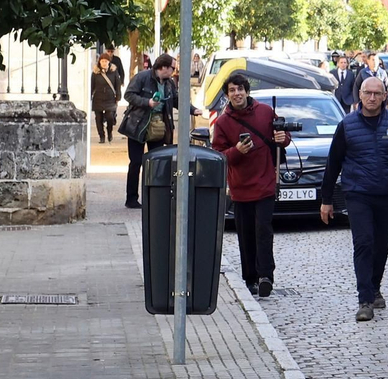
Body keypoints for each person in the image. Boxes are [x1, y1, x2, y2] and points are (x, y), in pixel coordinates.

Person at [319, 77, 388, 321]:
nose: (372, 98)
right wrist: (326, 199)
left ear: (385, 96)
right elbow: (332, 164)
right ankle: (364, 300)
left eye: (377, 93)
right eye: (368, 93)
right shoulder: (347, 125)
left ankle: (374, 288)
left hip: (386, 194)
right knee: (364, 243)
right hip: (357, 193)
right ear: (360, 96)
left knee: (381, 246)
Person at [209, 73, 292, 298]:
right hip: (240, 187)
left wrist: (282, 138)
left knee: (264, 230)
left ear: (247, 91)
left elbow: (284, 137)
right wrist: (237, 151)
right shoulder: (223, 122)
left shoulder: (265, 111)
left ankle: (266, 276)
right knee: (246, 234)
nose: (237, 94)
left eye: (240, 89)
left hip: (265, 183)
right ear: (227, 95)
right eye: (232, 90)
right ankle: (250, 278)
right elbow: (218, 156)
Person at [117, 54, 200, 209]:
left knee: (156, 162)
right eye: (172, 68)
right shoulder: (142, 77)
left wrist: (193, 110)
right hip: (138, 125)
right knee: (136, 162)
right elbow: (129, 95)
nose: (174, 71)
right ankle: (132, 198)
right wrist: (147, 102)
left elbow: (176, 100)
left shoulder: (169, 84)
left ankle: (154, 197)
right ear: (163, 67)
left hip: (159, 125)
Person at [91, 55, 120, 144]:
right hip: (98, 98)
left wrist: (118, 97)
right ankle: (101, 136)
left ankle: (109, 132)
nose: (104, 63)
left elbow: (117, 85)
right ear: (99, 62)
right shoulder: (95, 73)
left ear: (109, 62)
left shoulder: (113, 72)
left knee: (110, 117)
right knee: (98, 119)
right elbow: (92, 86)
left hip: (110, 98)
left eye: (106, 61)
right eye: (102, 61)